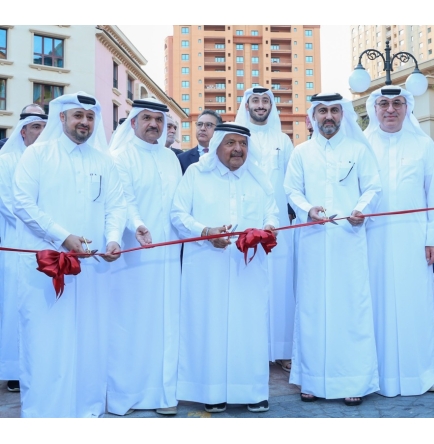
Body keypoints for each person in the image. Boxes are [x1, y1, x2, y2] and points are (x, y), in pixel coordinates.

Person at [12, 92, 126, 417]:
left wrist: (114, 238)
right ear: (61, 118)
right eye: (78, 116)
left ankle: (86, 412)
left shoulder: (104, 161)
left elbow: (116, 204)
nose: (85, 123)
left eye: (90, 118)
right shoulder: (38, 155)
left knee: (89, 338)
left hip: (92, 271)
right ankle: (45, 416)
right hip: (46, 268)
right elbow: (22, 203)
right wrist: (63, 237)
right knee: (45, 340)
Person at [171, 123, 279, 414]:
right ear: (216, 145)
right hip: (207, 266)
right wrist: (205, 232)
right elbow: (178, 214)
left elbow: (273, 211)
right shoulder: (196, 173)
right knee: (209, 324)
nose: (237, 149)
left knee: (250, 325)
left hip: (249, 266)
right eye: (230, 142)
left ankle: (252, 392)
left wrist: (270, 227)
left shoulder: (258, 176)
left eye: (242, 143)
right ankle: (211, 391)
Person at [284, 92, 381, 406]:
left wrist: (361, 209)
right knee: (313, 308)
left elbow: (373, 188)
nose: (328, 116)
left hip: (349, 242)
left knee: (351, 307)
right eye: (322, 111)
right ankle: (311, 380)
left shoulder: (358, 150)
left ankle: (353, 379)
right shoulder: (301, 152)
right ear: (314, 115)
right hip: (312, 242)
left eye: (334, 111)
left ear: (343, 115)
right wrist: (308, 209)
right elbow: (291, 190)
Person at [363, 86, 434, 397]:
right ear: (375, 109)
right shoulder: (364, 144)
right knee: (376, 304)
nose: (390, 109)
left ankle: (423, 373)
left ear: (407, 108)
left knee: (416, 304)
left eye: (397, 103)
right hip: (373, 237)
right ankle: (376, 374)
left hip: (414, 238)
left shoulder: (423, 144)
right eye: (383, 103)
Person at [107, 99, 182, 416]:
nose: (154, 124)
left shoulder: (170, 158)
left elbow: (179, 203)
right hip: (134, 256)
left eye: (158, 119)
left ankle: (164, 393)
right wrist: (138, 225)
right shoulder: (119, 157)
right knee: (133, 321)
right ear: (133, 122)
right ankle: (128, 393)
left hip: (169, 254)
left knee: (166, 321)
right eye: (147, 118)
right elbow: (123, 200)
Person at [235, 87, 295, 372]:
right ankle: (250, 348)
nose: (260, 106)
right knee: (249, 283)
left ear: (272, 107)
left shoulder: (283, 140)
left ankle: (283, 349)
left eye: (265, 101)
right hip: (246, 218)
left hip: (279, 223)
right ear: (246, 105)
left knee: (281, 284)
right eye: (255, 101)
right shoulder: (237, 138)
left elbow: (292, 183)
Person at [0, 106, 47, 393]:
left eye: (44, 127)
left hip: (49, 243)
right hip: (17, 242)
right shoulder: (7, 161)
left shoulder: (45, 160)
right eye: (35, 128)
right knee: (16, 301)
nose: (40, 133)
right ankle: (15, 369)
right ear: (23, 132)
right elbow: (9, 205)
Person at [177, 110, 221, 174]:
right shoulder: (181, 159)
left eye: (208, 125)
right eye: (199, 124)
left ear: (218, 129)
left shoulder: (225, 157)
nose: (202, 128)